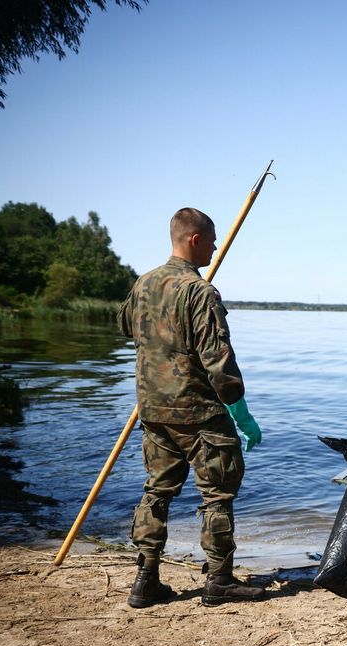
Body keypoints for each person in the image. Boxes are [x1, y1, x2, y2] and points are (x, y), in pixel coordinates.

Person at [117, 208, 265, 610]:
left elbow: (125, 327)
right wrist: (240, 410)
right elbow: (218, 360)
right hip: (197, 412)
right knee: (218, 492)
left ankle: (144, 580)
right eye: (212, 240)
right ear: (195, 240)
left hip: (153, 409)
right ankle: (219, 581)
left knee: (157, 491)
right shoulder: (199, 292)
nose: (216, 248)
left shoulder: (143, 284)